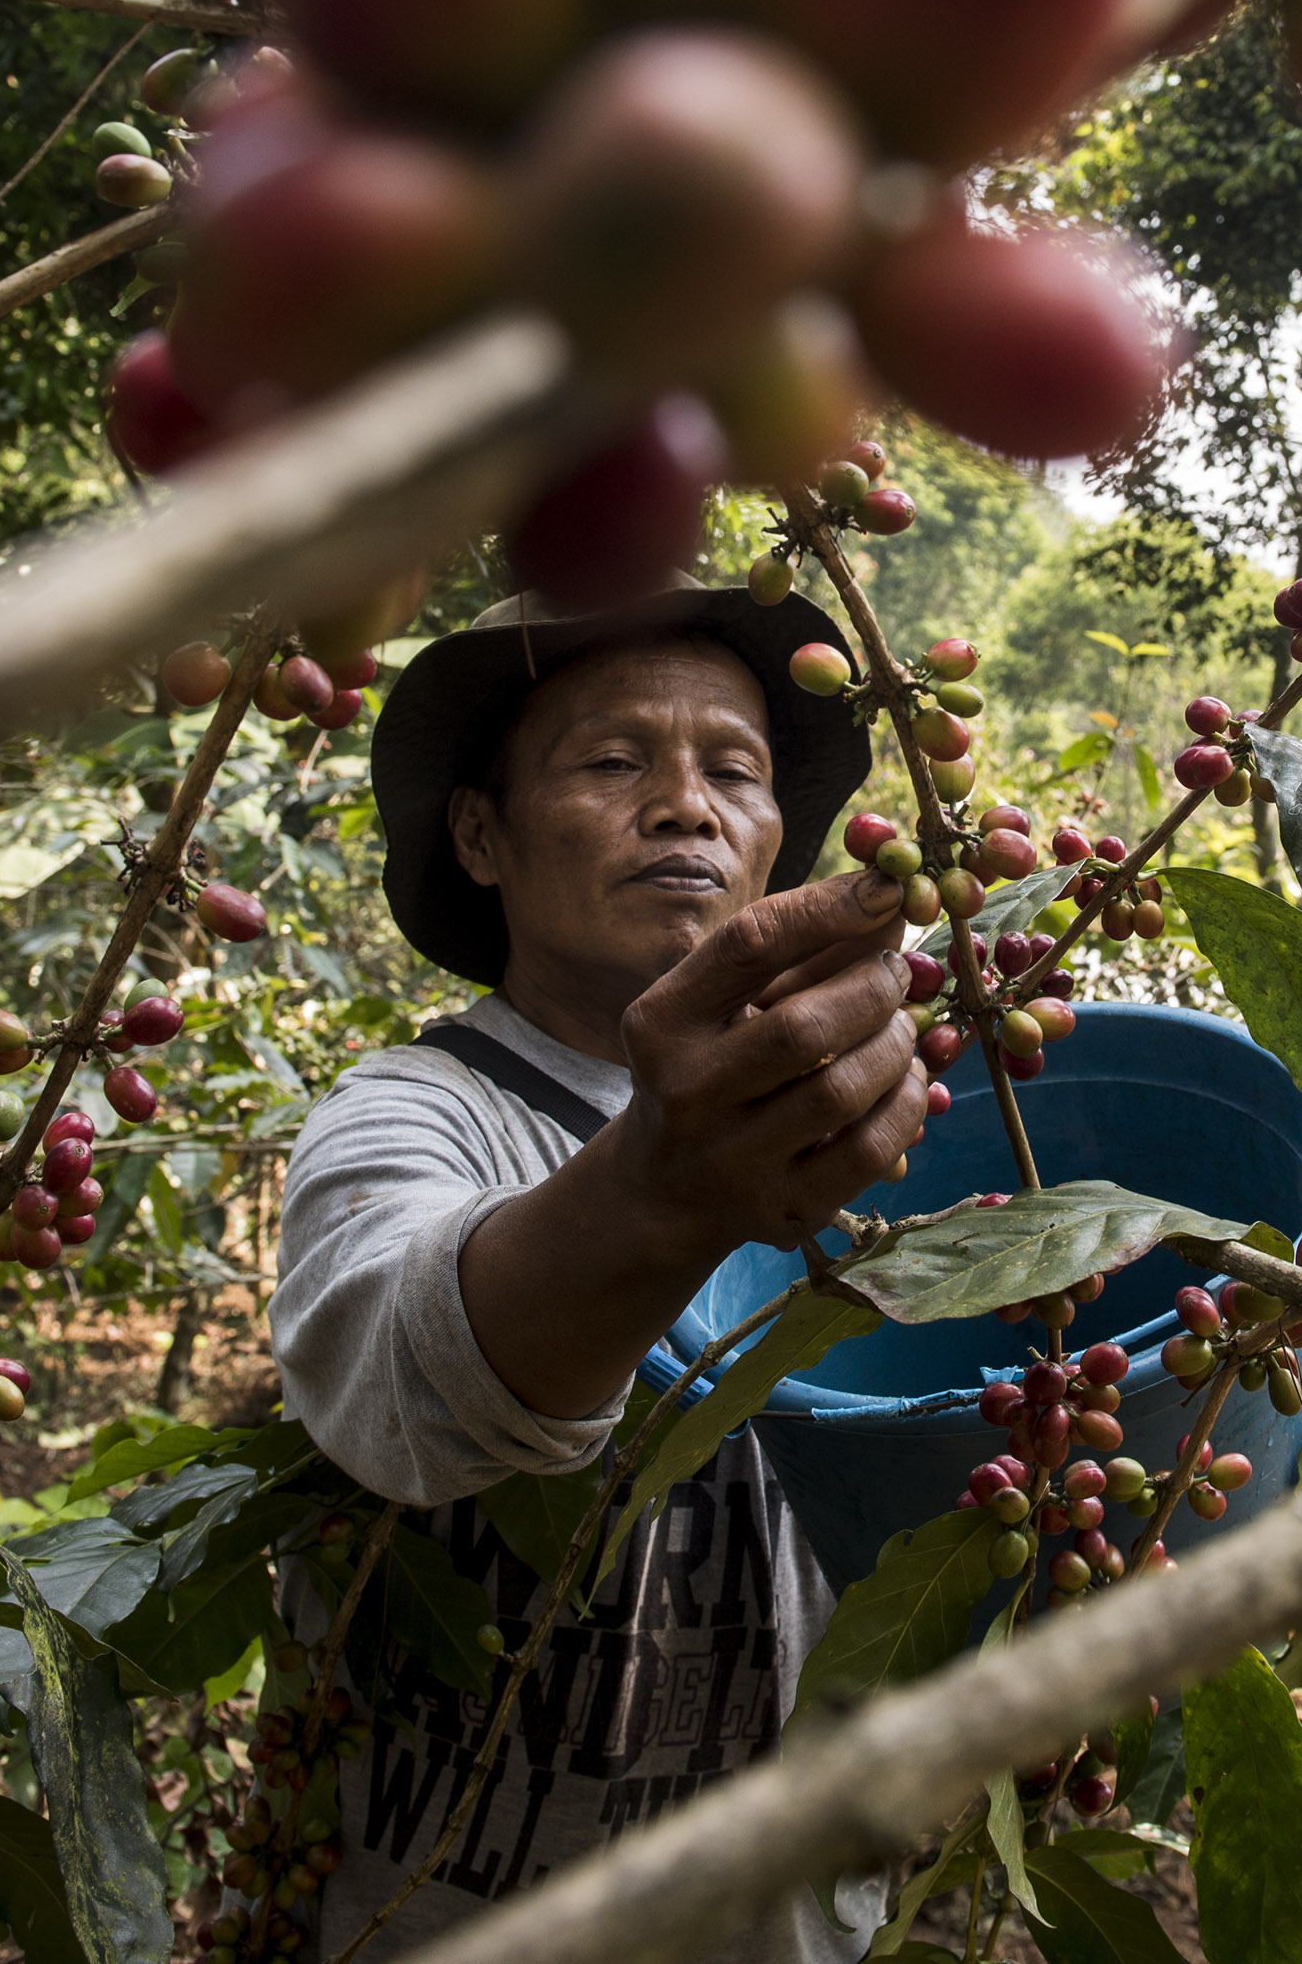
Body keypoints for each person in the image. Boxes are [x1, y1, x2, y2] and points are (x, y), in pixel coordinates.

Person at [270, 583, 926, 1959]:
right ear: (481, 832)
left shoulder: (868, 1120)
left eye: (733, 769)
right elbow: (404, 1373)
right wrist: (658, 1188)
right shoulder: (410, 1110)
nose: (687, 804)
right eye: (614, 760)